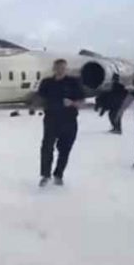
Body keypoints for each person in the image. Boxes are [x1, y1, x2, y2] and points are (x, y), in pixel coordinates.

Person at [34, 59, 87, 187]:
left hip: (69, 121)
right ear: (54, 68)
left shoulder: (73, 82)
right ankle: (45, 175)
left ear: (66, 69)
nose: (60, 70)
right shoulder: (47, 82)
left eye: (63, 68)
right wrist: (35, 105)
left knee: (64, 149)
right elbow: (40, 97)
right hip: (51, 120)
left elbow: (82, 102)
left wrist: (73, 103)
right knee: (47, 147)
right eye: (58, 68)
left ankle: (58, 174)